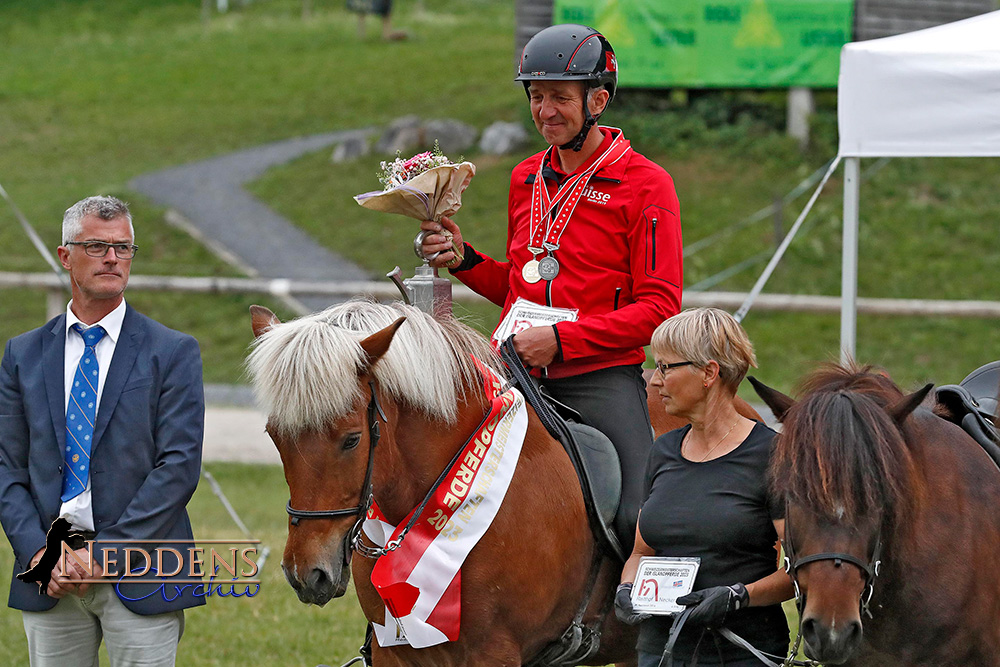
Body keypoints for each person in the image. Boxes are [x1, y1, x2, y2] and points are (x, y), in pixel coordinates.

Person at [419, 24, 682, 550]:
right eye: (536, 97)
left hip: (597, 375)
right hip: (511, 368)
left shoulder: (646, 184)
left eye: (561, 98)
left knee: (637, 514)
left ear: (599, 99)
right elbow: (524, 288)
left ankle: (646, 627)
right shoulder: (524, 178)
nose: (545, 112)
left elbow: (659, 308)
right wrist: (464, 260)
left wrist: (563, 342)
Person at [0, 196, 205, 665]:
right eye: (96, 246)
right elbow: (6, 465)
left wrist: (105, 556)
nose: (113, 257)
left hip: (143, 569)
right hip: (48, 577)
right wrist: (38, 553)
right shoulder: (22, 354)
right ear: (65, 256)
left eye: (124, 248)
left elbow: (178, 467)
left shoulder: (172, 352)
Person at [615, 308, 793, 666]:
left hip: (741, 653)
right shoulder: (662, 451)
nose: (654, 381)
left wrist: (738, 596)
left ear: (709, 373)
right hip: (659, 651)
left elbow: (799, 570)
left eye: (666, 367)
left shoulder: (772, 455)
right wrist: (625, 588)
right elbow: (641, 551)